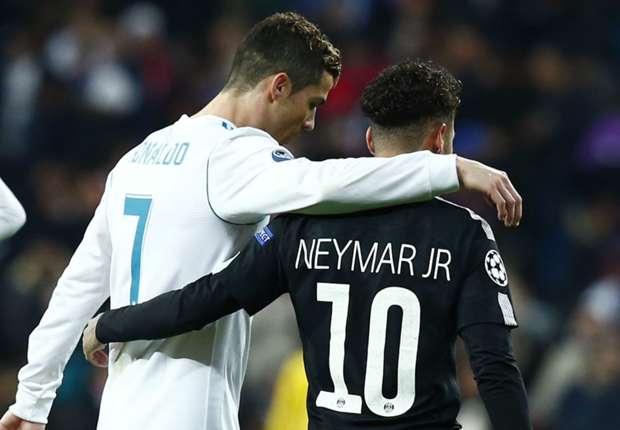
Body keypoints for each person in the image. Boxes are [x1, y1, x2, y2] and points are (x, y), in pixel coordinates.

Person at [1, 12, 522, 430]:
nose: (312, 122)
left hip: (120, 408)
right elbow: (326, 183)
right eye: (312, 103)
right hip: (193, 407)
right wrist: (449, 168)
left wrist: (33, 397)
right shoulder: (238, 156)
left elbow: (77, 288)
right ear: (278, 86)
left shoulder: (140, 156)